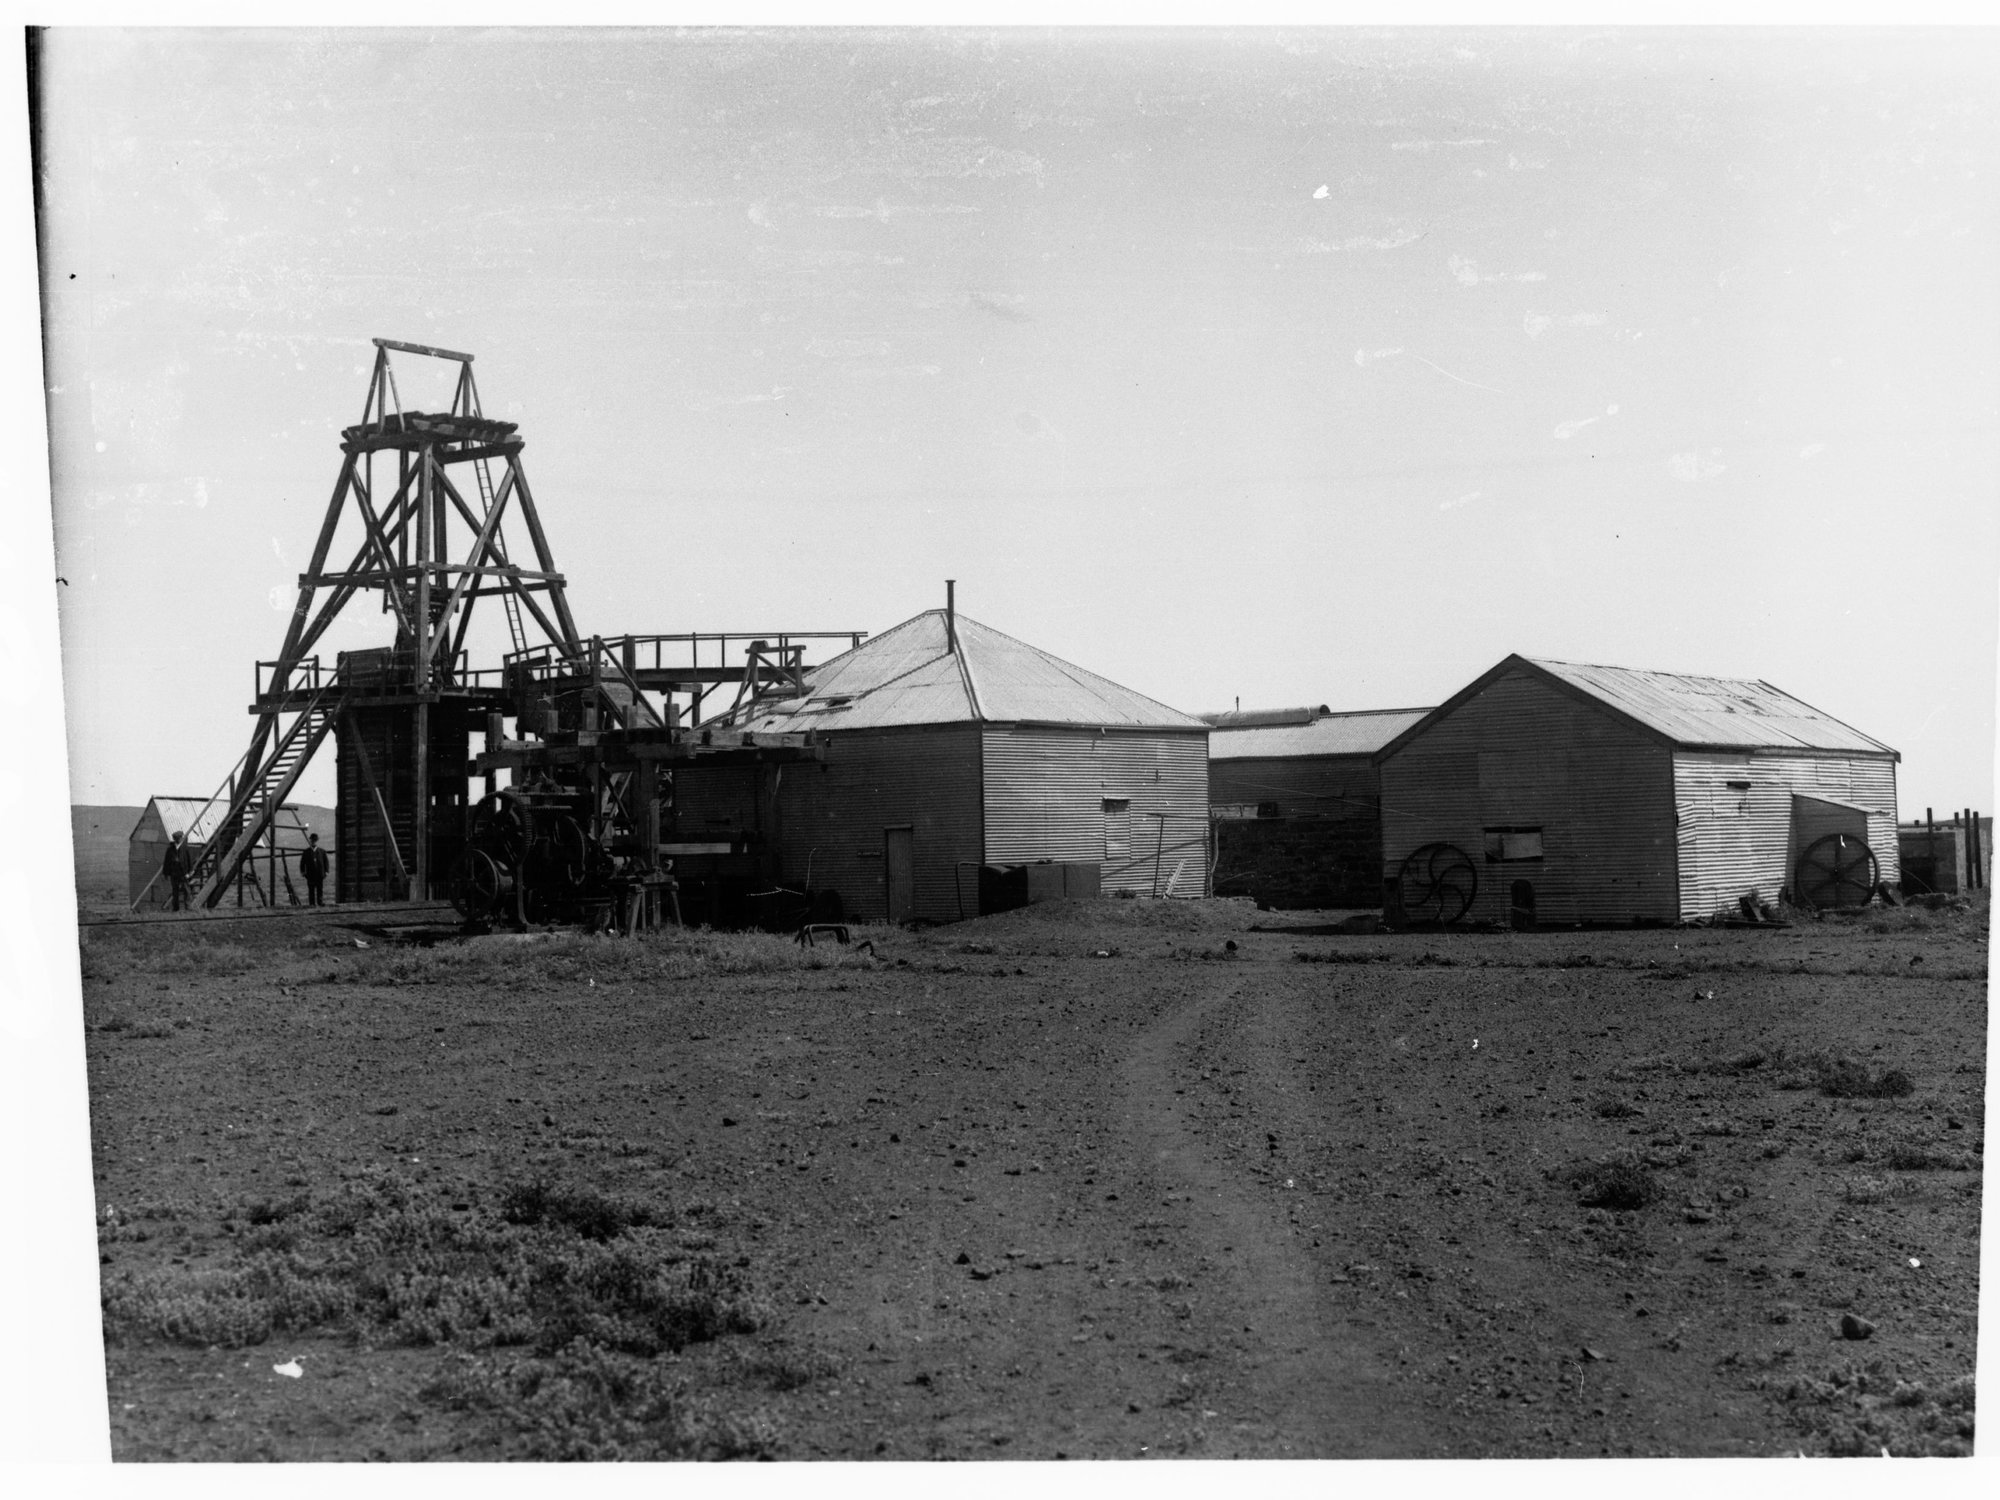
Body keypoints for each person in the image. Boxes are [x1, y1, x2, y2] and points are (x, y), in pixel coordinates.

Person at [162, 830, 192, 912]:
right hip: (174, 873)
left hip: (183, 873)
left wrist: (189, 872)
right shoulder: (170, 849)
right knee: (175, 891)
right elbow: (166, 862)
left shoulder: (185, 848)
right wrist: (166, 873)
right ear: (176, 839)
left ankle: (188, 907)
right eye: (179, 838)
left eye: (180, 838)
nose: (180, 839)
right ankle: (176, 908)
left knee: (187, 890)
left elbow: (189, 860)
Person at [299, 832, 329, 907]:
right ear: (310, 841)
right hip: (310, 874)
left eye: (315, 840)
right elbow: (302, 863)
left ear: (317, 841)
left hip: (320, 874)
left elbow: (326, 862)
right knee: (311, 889)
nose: (313, 842)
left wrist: (326, 871)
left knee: (320, 889)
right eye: (312, 840)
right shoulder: (306, 852)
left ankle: (320, 902)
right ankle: (312, 904)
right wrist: (303, 872)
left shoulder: (322, 851)